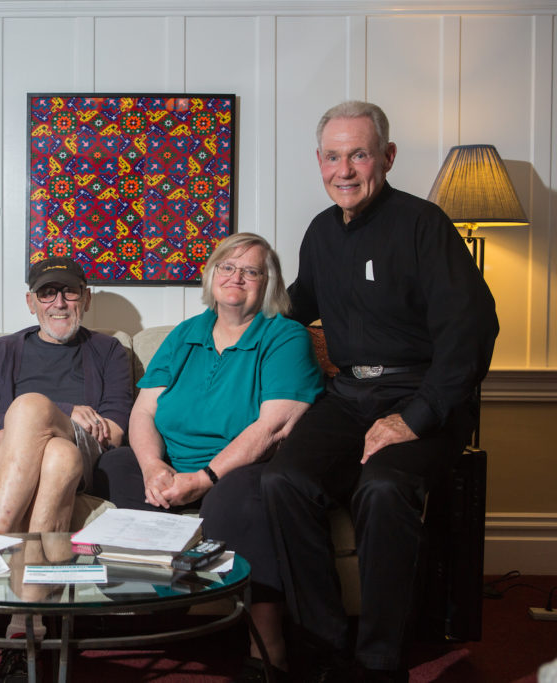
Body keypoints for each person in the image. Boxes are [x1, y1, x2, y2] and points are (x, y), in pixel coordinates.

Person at [261, 101, 499, 682]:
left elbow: (472, 334)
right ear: (319, 162)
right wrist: (237, 316)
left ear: (387, 158)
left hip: (421, 398)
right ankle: (322, 649)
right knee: (282, 481)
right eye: (334, 156)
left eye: (359, 154)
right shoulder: (320, 231)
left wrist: (413, 419)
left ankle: (376, 664)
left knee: (384, 488)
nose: (346, 169)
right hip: (348, 397)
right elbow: (299, 306)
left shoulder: (425, 226)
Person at [93, 232, 323, 682]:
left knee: (236, 496)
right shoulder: (186, 334)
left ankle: (267, 645)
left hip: (239, 468)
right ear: (212, 275)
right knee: (112, 465)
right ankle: (154, 609)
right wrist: (154, 467)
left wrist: (203, 478)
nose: (236, 278)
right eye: (227, 267)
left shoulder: (284, 336)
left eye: (251, 271)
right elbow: (145, 409)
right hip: (173, 464)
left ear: (268, 283)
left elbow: (273, 425)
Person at [0, 256, 133, 681]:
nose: (60, 302)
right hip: (16, 460)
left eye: (70, 291)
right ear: (30, 302)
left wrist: (49, 415)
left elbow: (116, 427)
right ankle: (27, 631)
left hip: (85, 448)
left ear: (86, 299)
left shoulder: (109, 350)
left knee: (30, 406)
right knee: (57, 457)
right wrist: (17, 431)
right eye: (47, 293)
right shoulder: (2, 350)